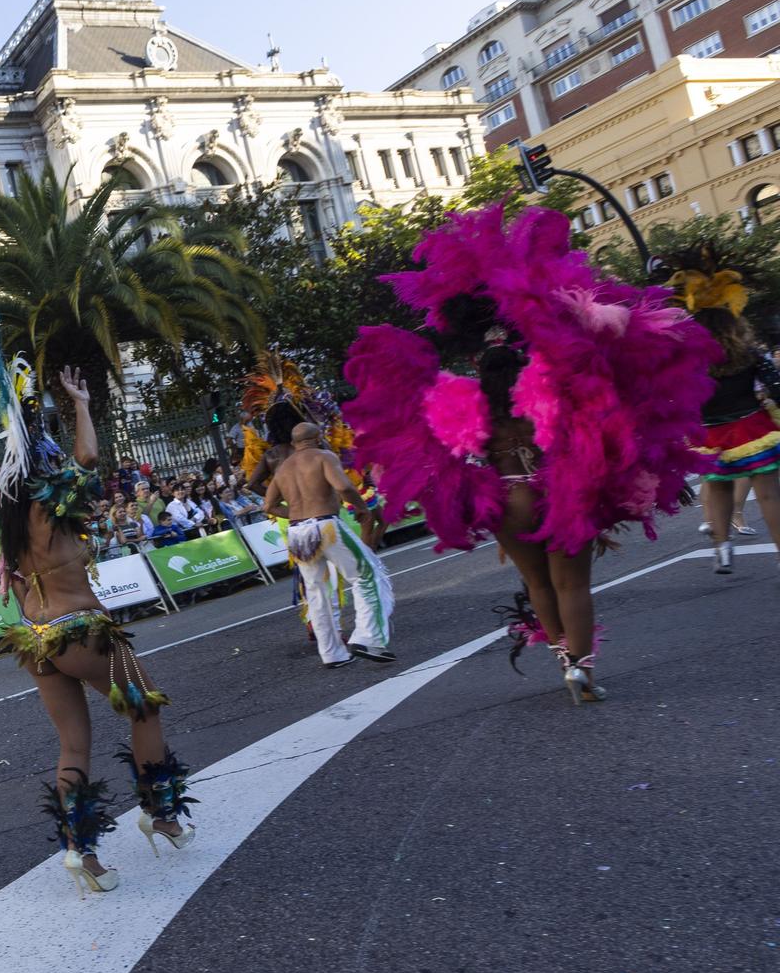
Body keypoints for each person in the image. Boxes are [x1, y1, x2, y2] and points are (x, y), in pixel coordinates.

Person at [346, 204, 714, 707]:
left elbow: (453, 449)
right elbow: (595, 401)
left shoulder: (463, 401)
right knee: (572, 585)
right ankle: (583, 671)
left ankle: (563, 661)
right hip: (558, 490)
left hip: (505, 499)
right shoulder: (548, 387)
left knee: (537, 584)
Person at [0, 287, 197, 898]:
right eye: (45, 441)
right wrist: (80, 403)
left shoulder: (6, 520)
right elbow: (87, 457)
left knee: (74, 741)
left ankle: (79, 852)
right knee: (145, 705)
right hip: (81, 627)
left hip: (38, 640)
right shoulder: (47, 500)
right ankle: (158, 812)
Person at [674, 267, 780, 574]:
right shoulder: (749, 353)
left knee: (718, 488)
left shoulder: (689, 361)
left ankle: (722, 550)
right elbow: (775, 386)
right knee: (769, 495)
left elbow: (678, 397)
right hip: (752, 428)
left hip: (708, 434)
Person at [264, 422, 395, 668]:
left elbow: (268, 506)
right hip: (325, 525)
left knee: (316, 593)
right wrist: (362, 508)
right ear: (319, 437)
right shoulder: (324, 456)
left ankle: (332, 654)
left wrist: (294, 514)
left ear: (294, 443)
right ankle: (369, 638)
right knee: (367, 575)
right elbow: (344, 486)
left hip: (297, 531)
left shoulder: (283, 469)